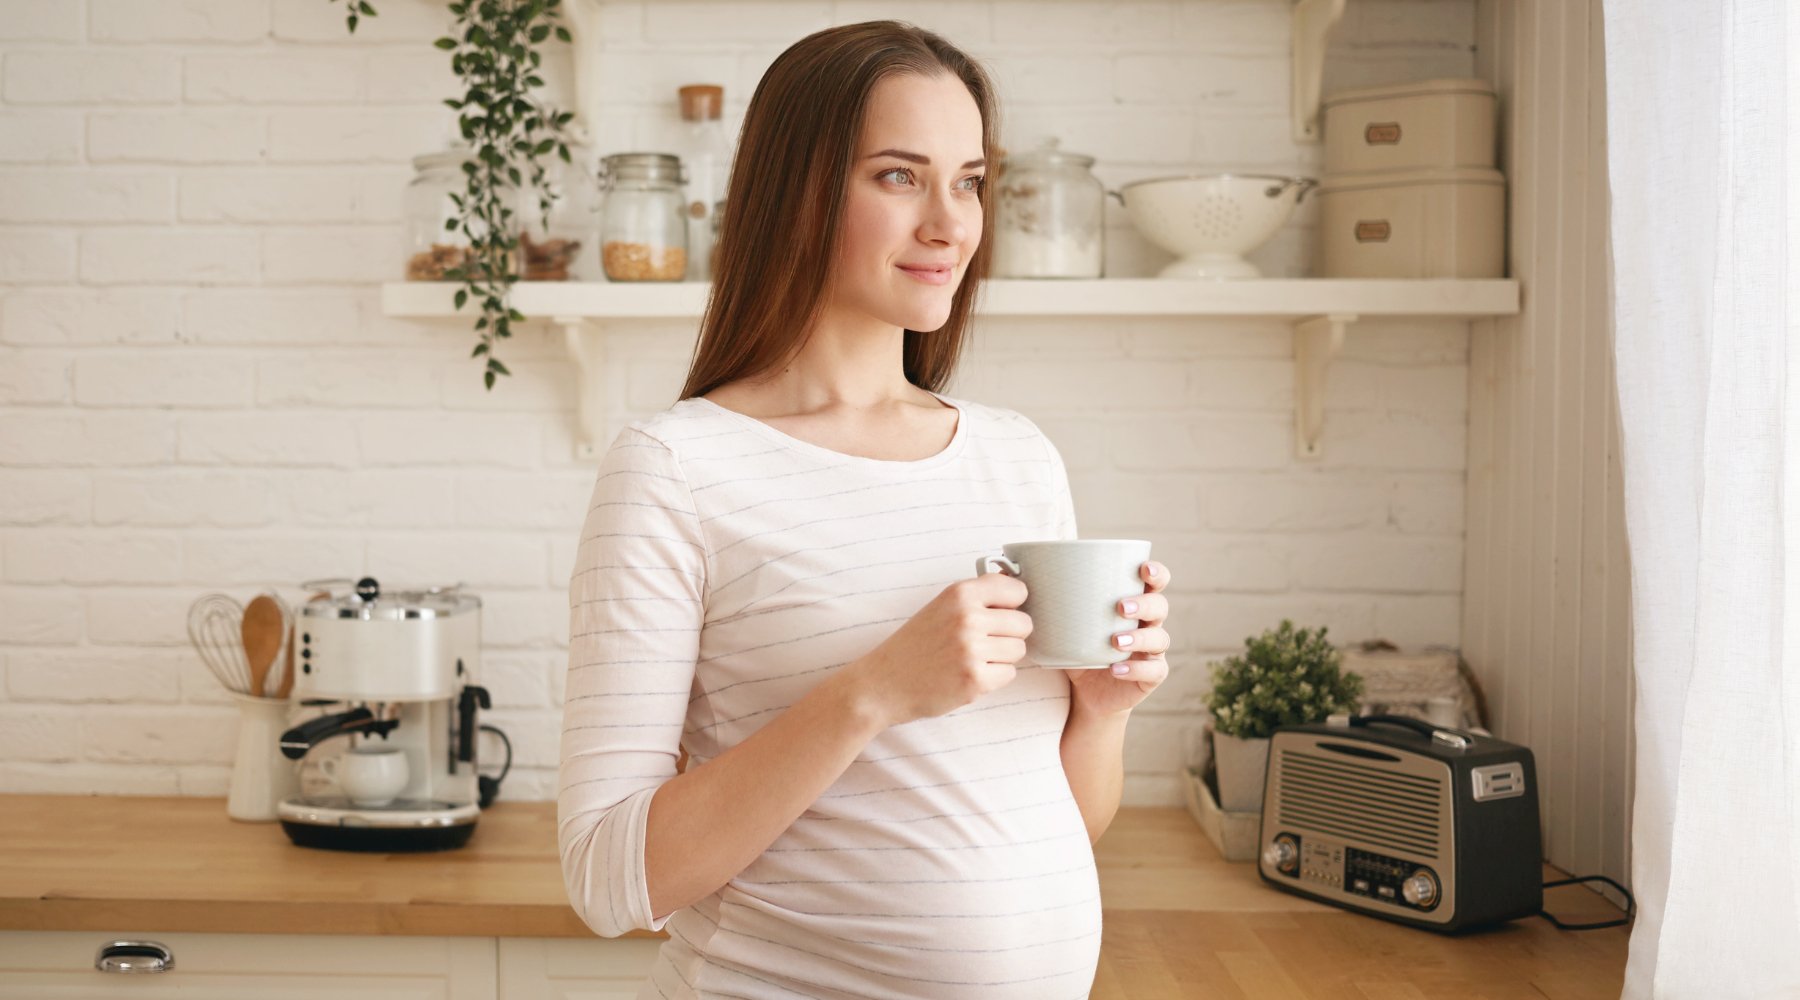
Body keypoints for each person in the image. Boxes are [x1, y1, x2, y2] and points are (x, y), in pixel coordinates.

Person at [558, 20, 1174, 1000]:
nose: (950, 223)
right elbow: (607, 879)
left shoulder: (1019, 458)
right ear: (797, 191)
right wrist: (875, 692)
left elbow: (1052, 825)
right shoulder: (676, 468)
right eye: (899, 176)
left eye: (969, 180)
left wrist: (1100, 717)